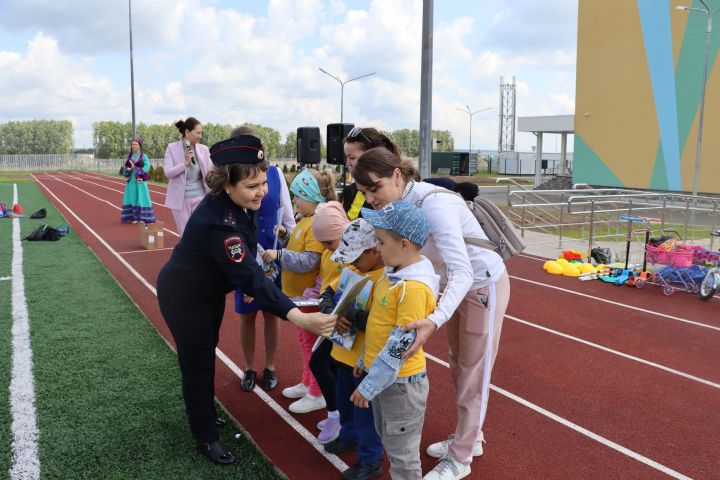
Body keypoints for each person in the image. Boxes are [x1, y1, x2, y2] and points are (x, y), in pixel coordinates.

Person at [156, 135, 336, 465]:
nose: (262, 192)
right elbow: (250, 277)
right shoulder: (220, 225)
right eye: (252, 185)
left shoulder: (235, 205)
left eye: (263, 183)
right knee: (196, 364)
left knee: (206, 351)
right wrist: (298, 316)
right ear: (227, 184)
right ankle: (206, 436)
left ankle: (205, 414)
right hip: (184, 297)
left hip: (206, 291)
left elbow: (251, 264)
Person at [352, 147, 510, 480]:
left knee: (474, 371)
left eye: (374, 188)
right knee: (458, 363)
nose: (370, 198)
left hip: (481, 282)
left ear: (397, 175)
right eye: (364, 192)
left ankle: (462, 455)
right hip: (453, 285)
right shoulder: (397, 205)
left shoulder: (435, 204)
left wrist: (434, 319)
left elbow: (462, 270)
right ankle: (472, 436)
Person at [350, 200, 439, 480]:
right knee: (390, 442)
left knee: (403, 456)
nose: (376, 247)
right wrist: (365, 360)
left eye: (380, 241)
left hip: (401, 386)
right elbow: (379, 326)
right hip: (385, 378)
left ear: (404, 244)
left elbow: (400, 346)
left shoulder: (412, 289)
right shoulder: (391, 278)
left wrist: (368, 385)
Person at [263, 167, 337, 414]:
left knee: (310, 345)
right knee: (304, 343)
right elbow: (298, 246)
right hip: (297, 295)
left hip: (310, 298)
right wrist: (285, 237)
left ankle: (317, 393)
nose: (294, 200)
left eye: (298, 196)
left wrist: (280, 254)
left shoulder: (317, 223)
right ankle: (308, 383)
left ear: (311, 197)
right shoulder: (305, 221)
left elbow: (310, 260)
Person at [230, 126, 296, 393]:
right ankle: (249, 367)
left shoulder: (276, 174)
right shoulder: (231, 182)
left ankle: (269, 367)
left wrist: (286, 235)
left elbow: (287, 217)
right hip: (242, 259)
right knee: (246, 315)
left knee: (272, 313)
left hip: (270, 256)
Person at [323, 218, 386, 480]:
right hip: (342, 353)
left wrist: (353, 316)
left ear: (374, 251)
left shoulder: (386, 279)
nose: (350, 262)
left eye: (356, 256)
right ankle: (347, 436)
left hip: (364, 361)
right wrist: (330, 311)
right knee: (343, 403)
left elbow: (382, 321)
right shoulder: (353, 270)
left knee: (365, 413)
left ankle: (371, 460)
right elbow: (328, 293)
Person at [306, 201, 349, 443]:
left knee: (320, 363)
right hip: (331, 313)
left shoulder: (350, 255)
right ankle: (337, 413)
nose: (325, 247)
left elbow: (347, 286)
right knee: (329, 366)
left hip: (342, 320)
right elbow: (328, 281)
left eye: (329, 242)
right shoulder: (330, 252)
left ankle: (337, 415)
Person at [163, 117, 212, 235]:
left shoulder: (204, 149)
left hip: (201, 198)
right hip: (181, 201)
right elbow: (168, 173)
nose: (200, 136)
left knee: (202, 233)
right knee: (185, 236)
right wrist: (184, 164)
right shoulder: (172, 148)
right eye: (198, 133)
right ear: (187, 132)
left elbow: (211, 173)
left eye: (201, 133)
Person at [341, 127, 402, 220]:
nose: (347, 163)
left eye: (352, 157)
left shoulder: (399, 194)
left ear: (373, 155)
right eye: (364, 192)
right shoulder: (349, 191)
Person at [121, 136, 156, 224]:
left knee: (142, 197)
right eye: (133, 145)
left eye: (136, 144)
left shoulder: (144, 156)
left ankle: (144, 217)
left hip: (140, 180)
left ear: (139, 145)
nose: (134, 146)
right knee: (133, 197)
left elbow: (146, 168)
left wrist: (135, 168)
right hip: (131, 180)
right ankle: (134, 217)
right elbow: (125, 168)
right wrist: (128, 170)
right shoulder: (130, 156)